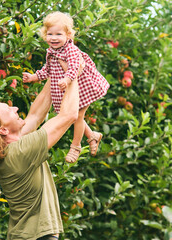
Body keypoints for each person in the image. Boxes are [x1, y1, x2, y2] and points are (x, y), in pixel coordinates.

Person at [0, 59, 84, 239]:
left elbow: (37, 115)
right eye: (8, 110)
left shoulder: (11, 148)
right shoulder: (19, 153)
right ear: (3, 129)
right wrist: (73, 74)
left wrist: (55, 66)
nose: (15, 108)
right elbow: (68, 115)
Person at [22, 11, 110, 163]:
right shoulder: (51, 51)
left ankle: (76, 147)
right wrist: (33, 77)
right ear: (45, 35)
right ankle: (92, 136)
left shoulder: (71, 50)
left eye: (58, 34)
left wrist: (68, 79)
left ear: (68, 35)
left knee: (78, 116)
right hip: (67, 88)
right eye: (50, 34)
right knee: (77, 117)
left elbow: (75, 67)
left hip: (82, 86)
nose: (54, 38)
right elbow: (47, 70)